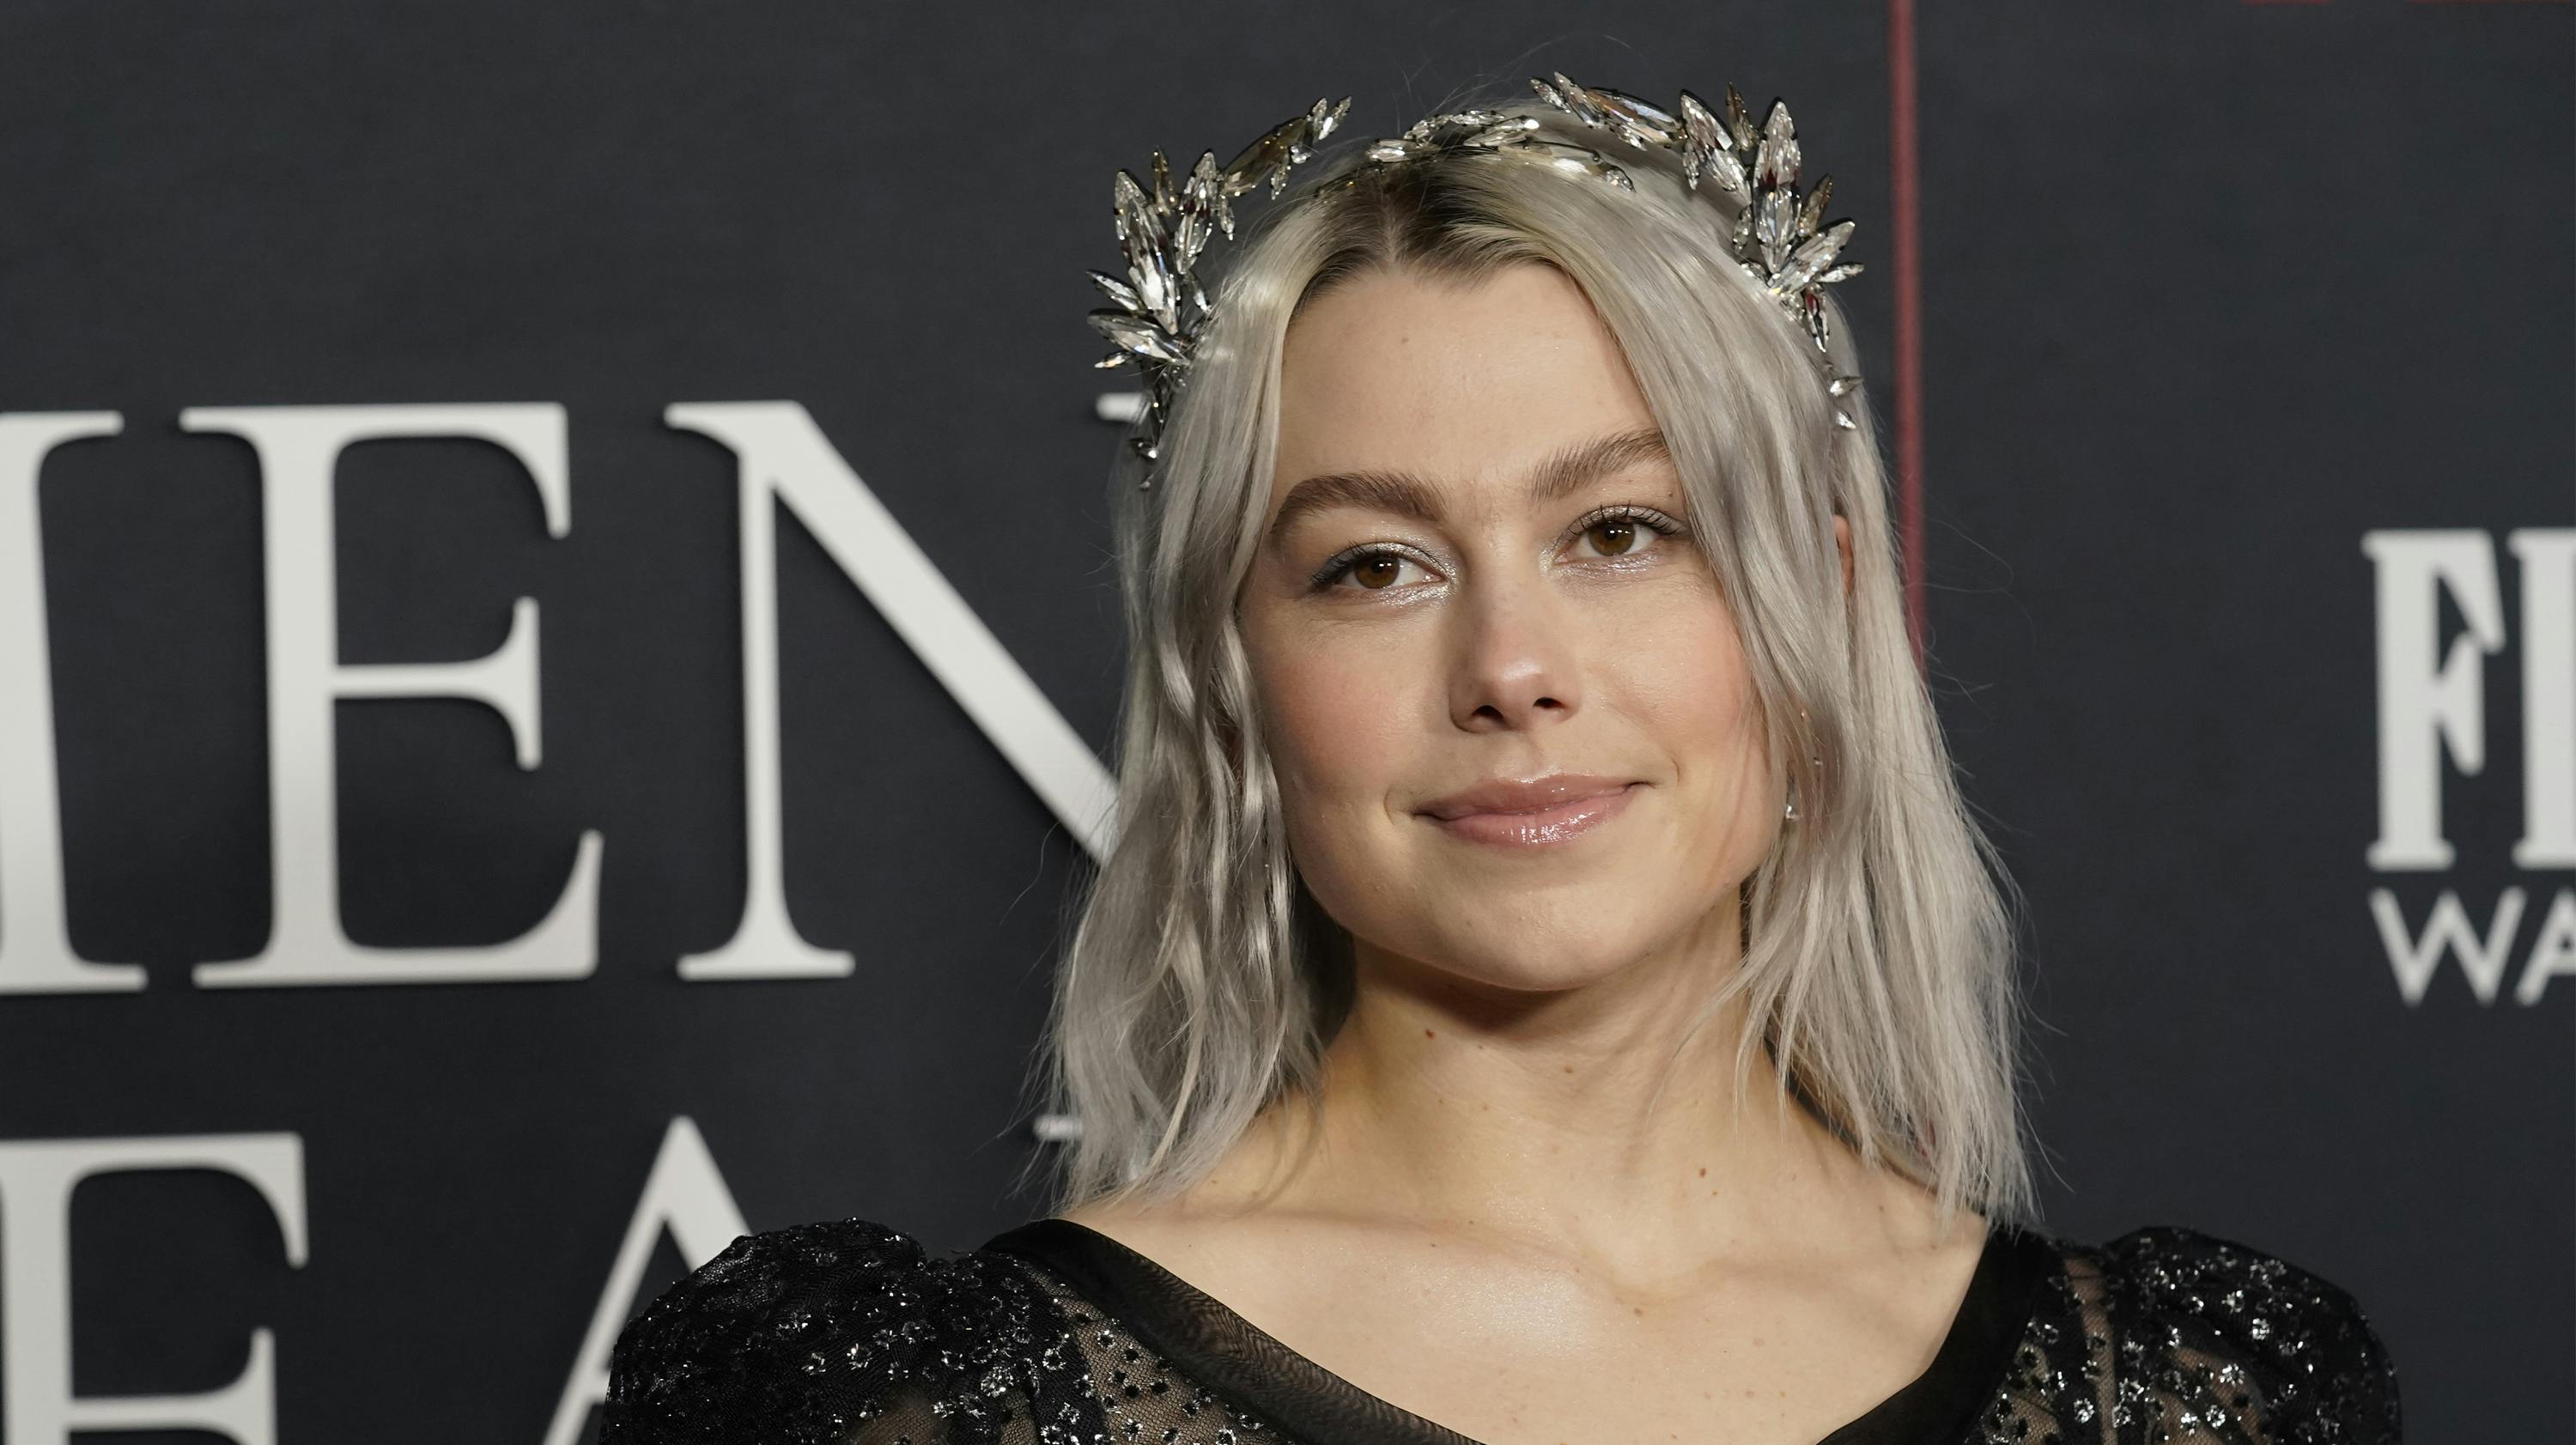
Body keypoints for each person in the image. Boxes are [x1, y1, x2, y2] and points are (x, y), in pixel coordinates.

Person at [597, 76, 2403, 1445]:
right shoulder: (916, 1408)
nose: (1512, 667)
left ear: (1817, 602)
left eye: (1621, 529)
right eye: (1374, 565)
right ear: (1233, 671)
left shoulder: (2195, 1396)